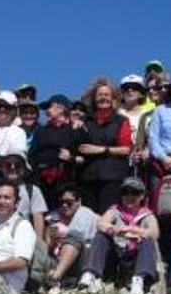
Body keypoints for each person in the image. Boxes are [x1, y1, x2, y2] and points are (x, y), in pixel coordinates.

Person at [78, 177, 160, 294]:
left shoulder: (147, 214)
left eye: (135, 193)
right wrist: (115, 230)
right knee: (101, 236)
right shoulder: (115, 210)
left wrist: (131, 230)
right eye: (126, 192)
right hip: (117, 255)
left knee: (148, 241)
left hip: (135, 258)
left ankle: (138, 280)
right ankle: (91, 273)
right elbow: (101, 224)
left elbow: (154, 233)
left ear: (142, 196)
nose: (130, 196)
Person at [77, 78, 133, 214]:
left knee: (108, 217)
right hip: (88, 177)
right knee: (90, 218)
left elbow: (126, 149)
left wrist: (101, 149)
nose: (104, 98)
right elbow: (80, 147)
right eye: (100, 95)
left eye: (107, 95)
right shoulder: (84, 122)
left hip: (113, 178)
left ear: (113, 99)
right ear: (94, 99)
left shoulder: (121, 121)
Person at [28, 94, 80, 209]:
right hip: (42, 181)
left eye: (50, 107)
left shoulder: (74, 129)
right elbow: (32, 155)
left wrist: (70, 158)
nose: (47, 110)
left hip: (66, 182)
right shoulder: (41, 130)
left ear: (60, 108)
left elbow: (81, 154)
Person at [42, 185, 98, 287]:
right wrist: (53, 240)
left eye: (69, 202)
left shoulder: (86, 214)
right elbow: (46, 247)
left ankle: (55, 278)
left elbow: (80, 238)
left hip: (82, 259)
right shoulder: (52, 218)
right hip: (56, 259)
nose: (64, 205)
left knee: (73, 239)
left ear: (78, 202)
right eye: (61, 202)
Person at [0, 154, 47, 238]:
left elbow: (38, 218)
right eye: (8, 165)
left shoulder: (33, 190)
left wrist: (38, 242)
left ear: (24, 169)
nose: (12, 168)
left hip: (23, 237)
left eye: (18, 165)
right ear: (2, 167)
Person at [0, 91, 27, 169]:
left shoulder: (19, 132)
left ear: (14, 110)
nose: (2, 109)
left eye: (7, 106)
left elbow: (17, 156)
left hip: (9, 171)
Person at [118, 74, 153, 143]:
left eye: (135, 87)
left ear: (142, 94)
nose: (130, 90)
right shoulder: (115, 114)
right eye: (126, 88)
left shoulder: (149, 116)